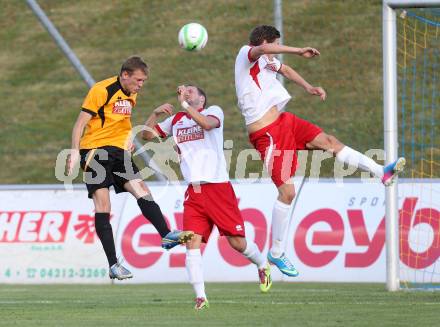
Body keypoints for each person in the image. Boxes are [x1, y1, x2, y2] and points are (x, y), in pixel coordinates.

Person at [234, 25, 405, 277]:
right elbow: (266, 49)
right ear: (266, 42)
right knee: (287, 192)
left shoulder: (268, 63)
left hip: (285, 121)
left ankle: (381, 171)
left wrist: (309, 87)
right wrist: (298, 49)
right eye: (275, 46)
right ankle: (277, 253)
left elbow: (286, 69)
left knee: (329, 142)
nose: (275, 54)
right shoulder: (247, 54)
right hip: (267, 134)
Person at [142, 84, 272, 310]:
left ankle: (262, 264)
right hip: (194, 192)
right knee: (191, 242)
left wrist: (183, 104)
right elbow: (145, 135)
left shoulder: (214, 111)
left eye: (192, 91)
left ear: (201, 99)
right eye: (186, 90)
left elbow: (206, 124)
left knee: (237, 243)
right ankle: (201, 297)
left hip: (218, 188)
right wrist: (154, 114)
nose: (187, 92)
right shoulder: (176, 121)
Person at [66, 56, 194, 280]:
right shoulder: (101, 90)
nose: (141, 85)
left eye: (143, 81)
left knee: (142, 189)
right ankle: (113, 264)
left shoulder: (131, 94)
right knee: (103, 204)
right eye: (138, 80)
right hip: (95, 151)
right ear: (125, 75)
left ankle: (166, 235)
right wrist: (75, 152)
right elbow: (80, 123)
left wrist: (128, 140)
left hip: (119, 152)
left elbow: (122, 123)